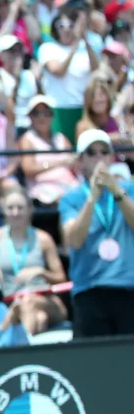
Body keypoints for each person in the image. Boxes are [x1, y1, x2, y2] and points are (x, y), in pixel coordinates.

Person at [59, 130, 134, 338]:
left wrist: (116, 190)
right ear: (80, 161)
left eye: (104, 152)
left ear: (111, 157)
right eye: (91, 153)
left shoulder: (129, 189)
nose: (99, 158)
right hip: (89, 290)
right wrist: (92, 198)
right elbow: (74, 240)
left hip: (128, 288)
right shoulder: (71, 198)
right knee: (90, 366)